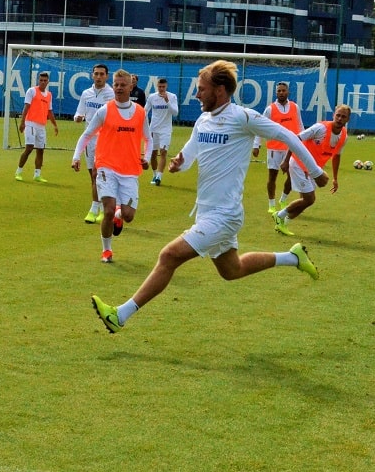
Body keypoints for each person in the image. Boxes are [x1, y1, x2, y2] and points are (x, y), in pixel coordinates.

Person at [91, 60, 329, 333]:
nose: (197, 94)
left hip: (224, 215)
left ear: (219, 90)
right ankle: (293, 257)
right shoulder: (203, 120)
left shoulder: (243, 117)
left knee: (169, 255)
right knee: (232, 270)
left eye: (201, 89)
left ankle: (120, 315)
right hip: (207, 212)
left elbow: (288, 135)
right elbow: (189, 155)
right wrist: (179, 163)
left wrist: (316, 171)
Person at [72, 69, 151, 263]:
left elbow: (148, 139)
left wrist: (147, 157)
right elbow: (87, 135)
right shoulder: (105, 110)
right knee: (106, 210)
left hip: (130, 170)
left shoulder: (140, 112)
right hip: (106, 166)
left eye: (123, 85)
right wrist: (76, 157)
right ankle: (106, 251)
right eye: (116, 85)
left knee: (128, 215)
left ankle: (119, 215)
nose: (118, 88)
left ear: (131, 86)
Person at [272, 104, 350, 236]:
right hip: (297, 163)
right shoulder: (320, 128)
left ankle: (283, 223)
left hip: (313, 169)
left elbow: (336, 156)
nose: (340, 118)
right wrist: (286, 161)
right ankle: (279, 215)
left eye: (343, 116)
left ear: (347, 119)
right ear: (333, 115)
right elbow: (295, 139)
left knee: (305, 201)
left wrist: (335, 178)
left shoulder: (343, 137)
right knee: (309, 199)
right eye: (338, 115)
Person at [252, 82, 303, 213]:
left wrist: (303, 143)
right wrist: (256, 145)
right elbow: (260, 126)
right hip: (274, 148)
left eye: (283, 90)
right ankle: (271, 204)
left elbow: (300, 125)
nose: (281, 93)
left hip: (291, 148)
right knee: (272, 177)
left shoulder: (295, 107)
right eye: (279, 91)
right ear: (276, 93)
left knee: (292, 177)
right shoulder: (270, 109)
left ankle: (283, 199)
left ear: (288, 92)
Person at [73, 63, 115, 223]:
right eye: (96, 74)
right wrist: (77, 117)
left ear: (107, 76)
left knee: (101, 175)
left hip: (106, 139)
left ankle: (98, 208)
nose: (98, 77)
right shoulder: (86, 94)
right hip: (90, 140)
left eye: (101, 74)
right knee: (93, 176)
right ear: (92, 75)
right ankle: (97, 208)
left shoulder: (111, 94)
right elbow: (79, 111)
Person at [14, 72, 59, 183]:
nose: (43, 82)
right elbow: (26, 107)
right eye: (41, 80)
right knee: (29, 148)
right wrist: (22, 122)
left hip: (41, 125)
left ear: (48, 82)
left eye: (45, 80)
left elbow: (50, 111)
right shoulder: (32, 91)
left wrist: (55, 125)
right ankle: (18, 171)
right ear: (38, 80)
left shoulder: (49, 95)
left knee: (40, 150)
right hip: (30, 123)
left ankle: (37, 174)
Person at [144, 77, 178, 186]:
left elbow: (175, 113)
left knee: (163, 152)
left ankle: (159, 177)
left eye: (163, 87)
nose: (161, 89)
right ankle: (154, 174)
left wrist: (167, 101)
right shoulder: (152, 97)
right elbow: (145, 111)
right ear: (156, 86)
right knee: (153, 154)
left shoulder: (172, 97)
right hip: (153, 129)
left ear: (166, 86)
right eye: (159, 86)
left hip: (166, 130)